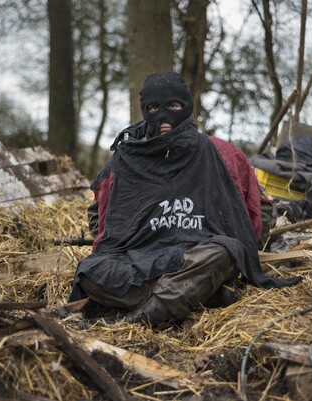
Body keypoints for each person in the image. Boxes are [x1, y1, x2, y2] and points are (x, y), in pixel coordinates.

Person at [68, 72, 300, 327]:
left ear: (186, 107)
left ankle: (140, 318)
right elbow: (100, 217)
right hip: (139, 260)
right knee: (91, 273)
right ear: (145, 110)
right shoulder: (125, 159)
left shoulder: (220, 153)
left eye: (174, 106)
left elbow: (259, 208)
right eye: (154, 107)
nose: (164, 116)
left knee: (226, 251)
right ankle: (202, 295)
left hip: (194, 257)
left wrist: (248, 249)